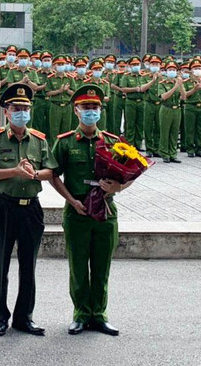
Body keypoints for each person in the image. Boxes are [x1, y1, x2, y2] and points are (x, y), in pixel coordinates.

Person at [0, 82, 55, 338]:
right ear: (6, 112)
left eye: (25, 108)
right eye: (16, 108)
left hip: (30, 209)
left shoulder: (39, 140)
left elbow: (51, 170)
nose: (21, 113)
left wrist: (35, 174)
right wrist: (14, 171)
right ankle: (0, 317)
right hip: (3, 207)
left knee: (28, 265)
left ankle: (24, 317)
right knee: (0, 264)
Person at [51, 83, 126, 337]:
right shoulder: (65, 143)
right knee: (79, 267)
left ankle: (99, 315)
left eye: (95, 107)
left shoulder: (113, 142)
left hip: (105, 212)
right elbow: (53, 175)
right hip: (78, 212)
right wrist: (72, 200)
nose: (90, 111)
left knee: (102, 267)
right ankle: (81, 314)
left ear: (101, 110)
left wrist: (118, 187)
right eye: (86, 107)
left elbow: (130, 171)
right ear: (76, 110)